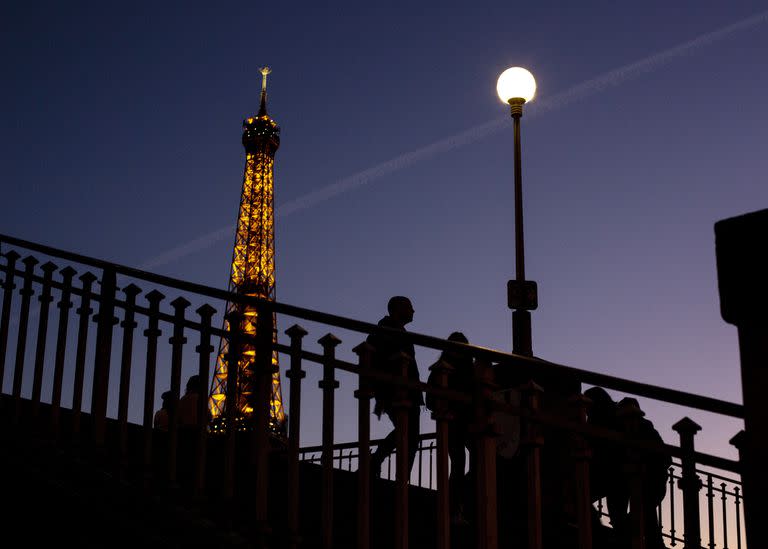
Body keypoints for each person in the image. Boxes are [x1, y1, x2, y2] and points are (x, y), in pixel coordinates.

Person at [367, 296, 423, 479]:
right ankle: (398, 476)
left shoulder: (389, 331)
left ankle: (379, 462)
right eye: (410, 307)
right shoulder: (387, 332)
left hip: (403, 391)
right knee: (410, 435)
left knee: (407, 434)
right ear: (398, 309)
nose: (413, 311)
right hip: (400, 391)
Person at [426, 331, 473, 524]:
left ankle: (457, 505)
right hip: (457, 422)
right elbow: (431, 400)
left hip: (461, 422)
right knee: (460, 463)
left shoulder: (445, 369)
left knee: (462, 463)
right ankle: (456, 506)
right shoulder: (468, 368)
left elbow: (430, 399)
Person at [615, 397, 671, 549]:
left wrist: (646, 464)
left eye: (632, 417)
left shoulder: (647, 432)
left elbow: (666, 458)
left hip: (652, 481)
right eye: (626, 418)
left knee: (643, 513)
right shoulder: (622, 433)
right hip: (637, 481)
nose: (629, 422)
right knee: (646, 515)